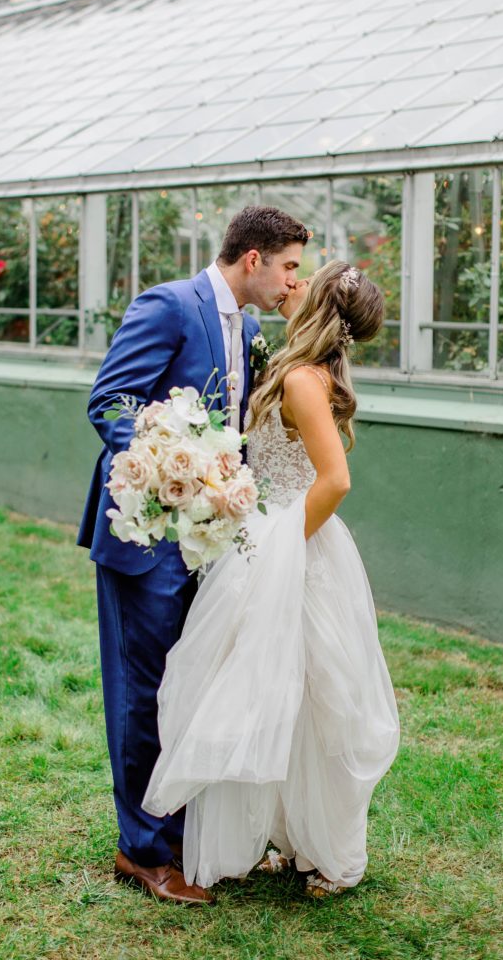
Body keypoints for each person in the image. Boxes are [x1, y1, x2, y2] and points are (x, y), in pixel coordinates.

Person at [142, 260, 401, 899]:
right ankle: (287, 836)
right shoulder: (290, 367)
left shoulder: (306, 382)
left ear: (318, 305)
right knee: (272, 692)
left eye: (304, 279)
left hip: (295, 546)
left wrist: (279, 543)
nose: (293, 282)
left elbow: (335, 480)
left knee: (313, 699)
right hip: (266, 532)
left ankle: (331, 853)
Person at [77, 205, 309, 905]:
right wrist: (173, 461)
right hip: (147, 534)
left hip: (214, 539)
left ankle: (189, 829)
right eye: (289, 266)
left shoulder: (258, 328)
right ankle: (142, 850)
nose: (292, 279)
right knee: (141, 692)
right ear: (251, 260)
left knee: (196, 684)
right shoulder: (168, 306)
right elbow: (110, 402)